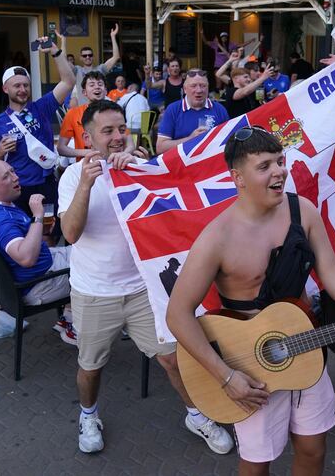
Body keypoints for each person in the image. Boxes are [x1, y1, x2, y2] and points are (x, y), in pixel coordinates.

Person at [166, 127, 335, 475]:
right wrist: (225, 376)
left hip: (305, 347)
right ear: (237, 177)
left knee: (313, 448)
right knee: (256, 463)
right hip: (248, 370)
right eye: (264, 165)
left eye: (280, 161)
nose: (279, 171)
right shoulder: (216, 238)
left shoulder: (303, 211)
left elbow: (332, 275)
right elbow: (177, 315)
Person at [58, 99, 233, 455]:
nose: (117, 137)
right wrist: (88, 185)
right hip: (95, 291)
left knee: (172, 357)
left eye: (121, 128)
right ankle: (88, 415)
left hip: (143, 289)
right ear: (89, 138)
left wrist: (141, 170)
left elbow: (175, 213)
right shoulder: (74, 176)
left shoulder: (140, 167)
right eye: (107, 131)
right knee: (91, 367)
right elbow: (71, 233)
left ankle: (196, 414)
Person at [0, 158, 74, 343]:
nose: (15, 177)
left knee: (88, 251)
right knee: (98, 268)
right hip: (38, 283)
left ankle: (68, 316)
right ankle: (76, 328)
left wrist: (39, 229)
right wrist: (37, 217)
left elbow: (20, 240)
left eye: (12, 171)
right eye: (6, 176)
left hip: (43, 265)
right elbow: (26, 258)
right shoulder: (0, 220)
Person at [0, 33, 74, 223]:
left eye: (26, 85)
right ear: (5, 89)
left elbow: (68, 82)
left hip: (45, 184)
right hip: (17, 188)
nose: (22, 90)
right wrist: (1, 151)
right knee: (22, 234)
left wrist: (55, 51)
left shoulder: (41, 107)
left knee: (47, 233)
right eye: (16, 86)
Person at [155, 70, 229, 154]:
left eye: (203, 86)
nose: (199, 90)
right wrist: (191, 139)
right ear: (185, 89)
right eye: (193, 86)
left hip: (212, 163)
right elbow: (160, 148)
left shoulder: (219, 109)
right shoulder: (173, 110)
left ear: (208, 88)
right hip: (182, 165)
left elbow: (229, 143)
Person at [59, 71, 106, 161]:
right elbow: (61, 149)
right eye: (92, 85)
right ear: (84, 92)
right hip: (84, 166)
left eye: (100, 84)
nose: (97, 87)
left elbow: (129, 144)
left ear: (106, 91)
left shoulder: (114, 111)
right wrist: (89, 152)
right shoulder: (73, 113)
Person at [70, 25, 120, 106]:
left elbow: (116, 57)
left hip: (99, 108)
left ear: (93, 57)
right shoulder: (77, 70)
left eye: (90, 55)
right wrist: (63, 42)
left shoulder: (100, 69)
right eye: (84, 56)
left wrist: (113, 37)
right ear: (81, 58)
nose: (87, 57)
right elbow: (64, 61)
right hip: (83, 109)